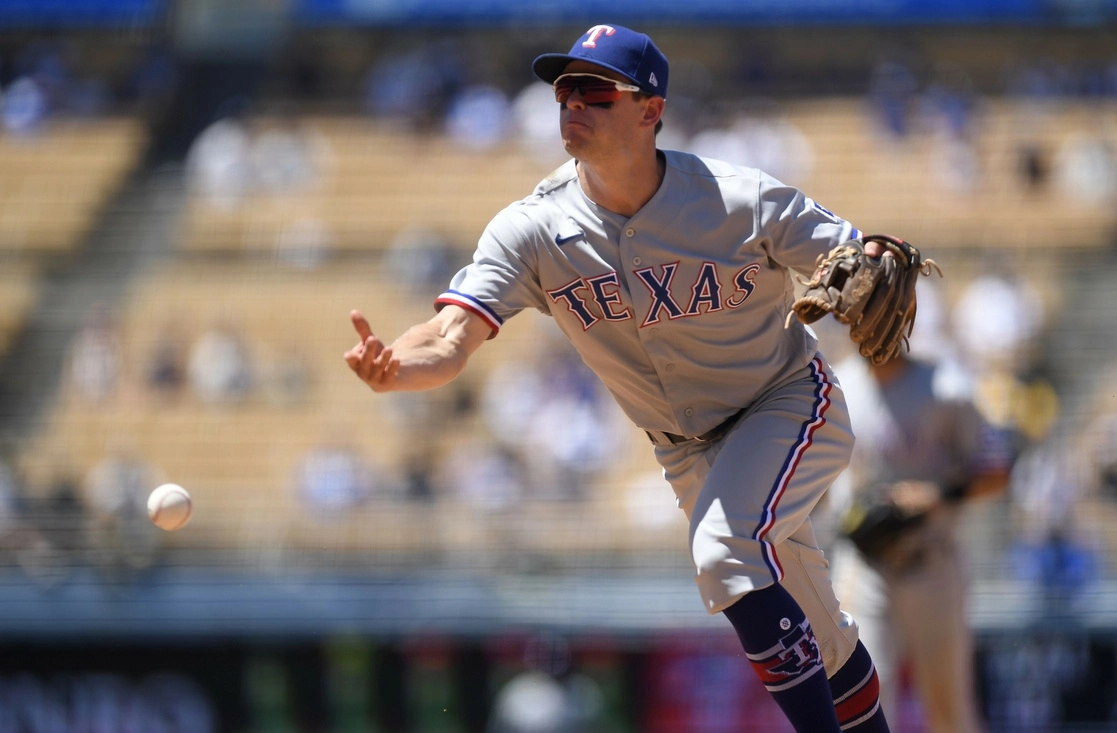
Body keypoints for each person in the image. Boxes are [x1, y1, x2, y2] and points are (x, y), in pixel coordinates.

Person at [345, 25, 895, 732]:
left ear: (648, 108)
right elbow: (450, 337)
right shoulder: (533, 228)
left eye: (594, 91)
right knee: (819, 630)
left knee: (724, 554)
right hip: (685, 450)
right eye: (564, 89)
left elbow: (859, 257)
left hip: (785, 404)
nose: (571, 103)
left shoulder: (738, 199)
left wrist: (869, 262)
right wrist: (397, 369)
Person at [824, 349, 1015, 732]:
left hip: (931, 563)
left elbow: (996, 469)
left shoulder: (947, 387)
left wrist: (938, 494)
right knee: (862, 707)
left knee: (950, 712)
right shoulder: (836, 384)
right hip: (862, 566)